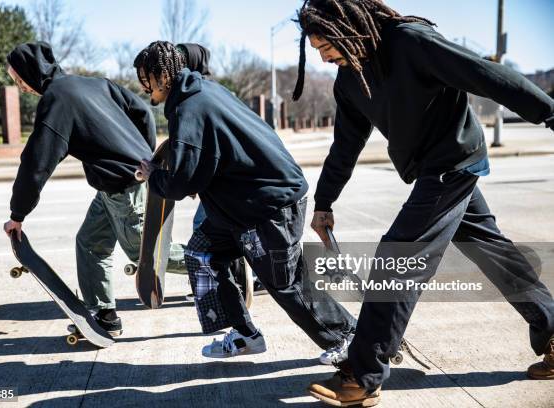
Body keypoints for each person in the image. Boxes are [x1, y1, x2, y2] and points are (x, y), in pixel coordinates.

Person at [292, 0, 554, 406]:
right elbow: (345, 144)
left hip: (454, 162)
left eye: (328, 48)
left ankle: (362, 375)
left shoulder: (411, 41)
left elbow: (485, 75)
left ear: (349, 28)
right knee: (494, 252)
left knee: (397, 257)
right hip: (430, 169)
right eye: (319, 53)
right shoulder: (350, 80)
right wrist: (324, 201)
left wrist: (548, 112)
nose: (326, 59)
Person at [133, 40, 357, 361]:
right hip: (241, 207)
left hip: (267, 205)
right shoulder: (206, 92)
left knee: (286, 283)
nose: (144, 88)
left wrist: (153, 175)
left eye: (146, 80)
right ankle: (243, 335)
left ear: (161, 76)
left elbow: (182, 182)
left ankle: (350, 337)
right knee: (201, 254)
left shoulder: (190, 108)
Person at [2, 41, 209, 337]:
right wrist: (142, 153)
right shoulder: (95, 83)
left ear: (30, 73)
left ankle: (222, 263)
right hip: (112, 186)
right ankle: (104, 315)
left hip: (125, 188)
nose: (21, 87)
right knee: (90, 243)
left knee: (147, 256)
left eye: (18, 80)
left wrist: (17, 213)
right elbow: (142, 112)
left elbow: (36, 162)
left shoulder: (56, 100)